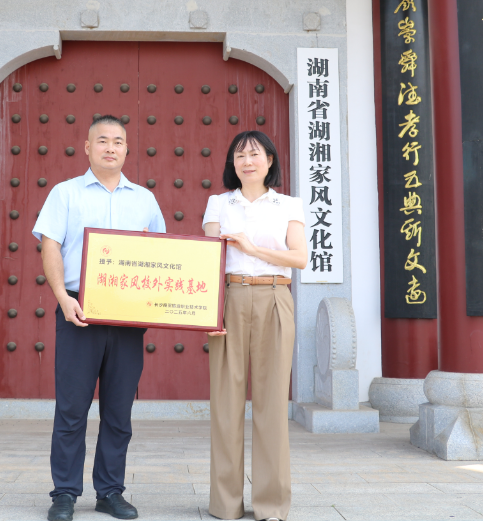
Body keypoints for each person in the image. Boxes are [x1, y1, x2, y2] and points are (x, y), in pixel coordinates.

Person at [33, 115, 166, 521]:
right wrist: (62, 297)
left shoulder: (144, 199)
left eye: (119, 141)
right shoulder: (65, 193)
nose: (111, 147)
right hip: (79, 309)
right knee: (72, 409)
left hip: (128, 315)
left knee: (118, 410)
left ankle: (110, 491)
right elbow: (50, 246)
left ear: (128, 149)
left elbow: (161, 257)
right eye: (102, 140)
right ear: (86, 147)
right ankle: (65, 494)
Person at [202, 130, 307, 521]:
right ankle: (225, 504)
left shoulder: (289, 204)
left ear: (270, 161)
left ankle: (271, 505)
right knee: (226, 405)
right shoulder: (218, 204)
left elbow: (299, 258)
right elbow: (209, 261)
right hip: (229, 298)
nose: (248, 161)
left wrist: (252, 249)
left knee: (272, 404)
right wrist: (207, 315)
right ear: (232, 163)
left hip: (275, 297)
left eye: (255, 154)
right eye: (240, 155)